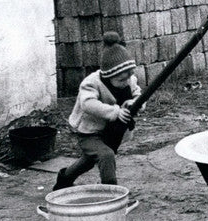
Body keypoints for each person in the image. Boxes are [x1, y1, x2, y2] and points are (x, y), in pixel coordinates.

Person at [54, 32, 142, 190]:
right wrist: (115, 112)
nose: (126, 82)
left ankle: (64, 179)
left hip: (111, 131)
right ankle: (111, 194)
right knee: (106, 156)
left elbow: (139, 95)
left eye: (129, 77)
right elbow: (87, 103)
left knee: (87, 162)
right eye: (121, 80)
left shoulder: (129, 79)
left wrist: (134, 102)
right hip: (89, 133)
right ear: (109, 76)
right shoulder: (91, 83)